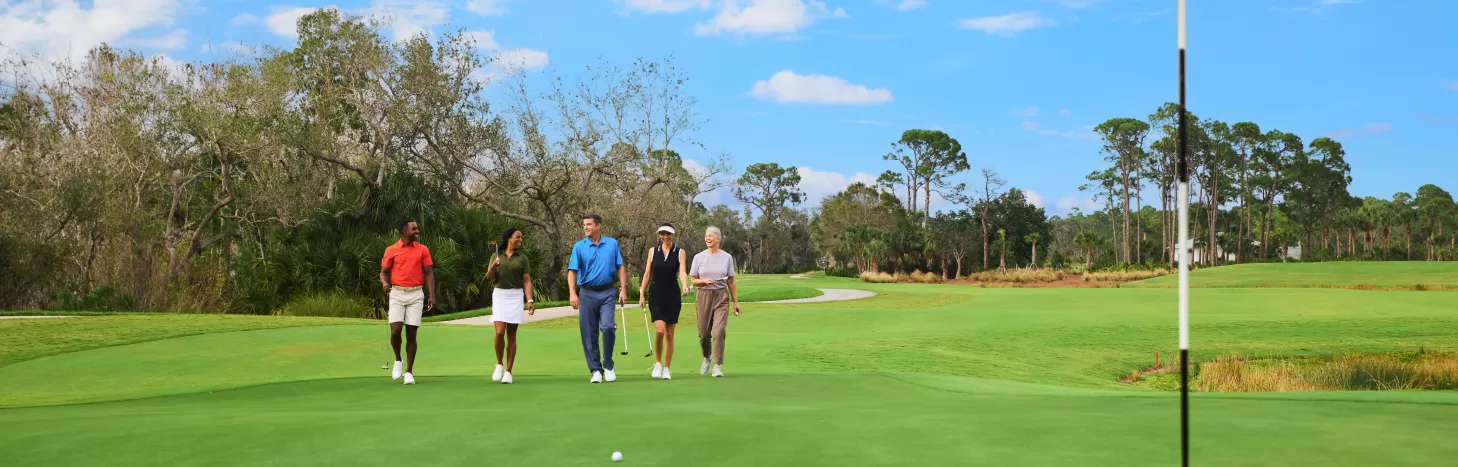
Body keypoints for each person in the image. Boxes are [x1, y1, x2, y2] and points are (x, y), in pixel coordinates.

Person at [567, 213, 629, 384]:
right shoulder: (579, 247)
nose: (585, 227)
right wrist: (572, 293)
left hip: (607, 292)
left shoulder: (611, 244)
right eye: (584, 225)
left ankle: (608, 365)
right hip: (586, 293)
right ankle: (595, 370)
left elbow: (620, 267)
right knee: (589, 333)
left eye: (588, 224)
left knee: (608, 327)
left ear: (598, 225)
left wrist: (623, 290)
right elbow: (572, 271)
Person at [380, 219, 435, 385]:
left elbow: (429, 273)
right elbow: (383, 272)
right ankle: (398, 360)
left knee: (411, 333)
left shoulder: (423, 250)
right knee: (396, 330)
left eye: (417, 228)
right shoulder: (392, 250)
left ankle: (409, 372)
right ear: (404, 231)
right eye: (414, 228)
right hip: (397, 293)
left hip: (416, 294)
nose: (417, 231)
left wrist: (432, 295)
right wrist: (384, 283)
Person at [638, 223, 690, 380]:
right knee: (659, 331)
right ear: (659, 235)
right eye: (662, 234)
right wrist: (641, 293)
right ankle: (658, 363)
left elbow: (681, 271)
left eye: (668, 234)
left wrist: (685, 285)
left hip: (672, 295)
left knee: (669, 334)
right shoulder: (653, 251)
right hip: (656, 295)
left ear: (673, 235)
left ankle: (667, 368)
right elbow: (647, 274)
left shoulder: (680, 252)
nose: (665, 237)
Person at [485, 227, 534, 385]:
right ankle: (499, 364)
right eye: (518, 237)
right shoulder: (496, 255)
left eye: (521, 238)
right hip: (500, 294)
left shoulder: (522, 258)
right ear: (509, 239)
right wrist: (493, 266)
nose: (521, 240)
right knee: (499, 333)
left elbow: (526, 280)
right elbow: (488, 277)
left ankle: (508, 371)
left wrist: (530, 301)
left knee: (511, 335)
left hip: (515, 296)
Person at [689, 226, 740, 378]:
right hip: (703, 296)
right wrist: (703, 281)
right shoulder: (698, 257)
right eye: (706, 236)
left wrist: (736, 302)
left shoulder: (727, 257)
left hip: (721, 297)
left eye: (711, 236)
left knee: (718, 331)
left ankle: (717, 366)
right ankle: (707, 357)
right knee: (703, 334)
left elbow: (731, 281)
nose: (707, 238)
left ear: (718, 238)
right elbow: (693, 280)